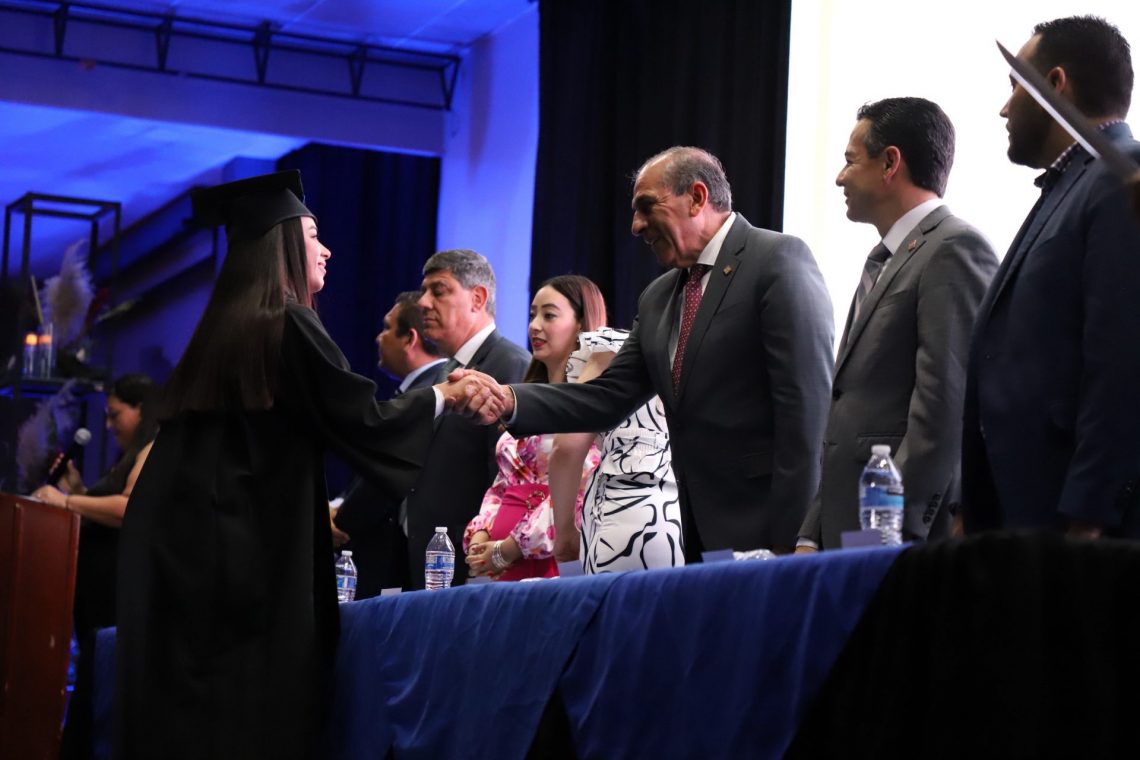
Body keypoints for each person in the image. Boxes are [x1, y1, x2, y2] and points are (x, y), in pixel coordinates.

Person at [114, 170, 493, 759]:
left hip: (196, 557)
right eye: (313, 235)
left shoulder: (225, 327)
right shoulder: (287, 320)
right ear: (283, 244)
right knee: (256, 713)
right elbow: (360, 418)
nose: (327, 249)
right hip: (250, 559)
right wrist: (442, 394)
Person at [465, 147, 834, 556]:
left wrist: (799, 540)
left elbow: (807, 414)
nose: (636, 225)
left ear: (696, 198)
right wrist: (508, 398)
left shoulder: (777, 260)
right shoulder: (658, 297)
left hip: (772, 531)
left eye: (646, 207)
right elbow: (605, 397)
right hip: (697, 537)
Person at [963, 16, 1140, 538]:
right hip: (1024, 527)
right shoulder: (1073, 184)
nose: (1004, 108)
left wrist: (1087, 519)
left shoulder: (1121, 176)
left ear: (1055, 84)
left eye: (1015, 86)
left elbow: (1124, 361)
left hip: (1077, 535)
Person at [796, 98, 998, 552]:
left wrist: (890, 528)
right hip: (848, 532)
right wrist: (812, 532)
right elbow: (847, 415)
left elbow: (944, 407)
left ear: (890, 163)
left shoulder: (953, 248)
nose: (839, 177)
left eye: (850, 161)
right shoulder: (886, 259)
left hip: (892, 540)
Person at [30, 373, 158, 760]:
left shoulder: (154, 446)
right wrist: (78, 491)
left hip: (114, 599)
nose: (108, 424)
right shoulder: (130, 455)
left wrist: (67, 502)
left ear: (141, 409)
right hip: (96, 603)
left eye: (115, 414)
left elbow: (130, 508)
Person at [404, 249, 530, 588]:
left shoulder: (511, 365)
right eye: (424, 291)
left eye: (439, 290)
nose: (423, 303)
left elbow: (507, 476)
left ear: (477, 298)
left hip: (472, 565)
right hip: (429, 562)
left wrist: (485, 551)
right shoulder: (443, 372)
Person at [464, 275, 601, 580]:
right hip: (500, 565)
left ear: (581, 324)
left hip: (553, 563)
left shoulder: (593, 401)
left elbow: (581, 490)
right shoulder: (526, 401)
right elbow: (502, 484)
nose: (535, 326)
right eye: (532, 315)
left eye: (549, 315)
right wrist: (481, 534)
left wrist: (511, 548)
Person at [332, 291, 447, 596]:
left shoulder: (431, 395)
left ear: (410, 339)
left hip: (396, 561)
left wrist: (340, 521)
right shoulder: (417, 392)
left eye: (386, 327)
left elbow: (389, 472)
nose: (378, 337)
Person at [548, 326, 682, 573]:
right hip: (680, 513)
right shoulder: (688, 346)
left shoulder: (610, 348)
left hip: (623, 503)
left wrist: (564, 530)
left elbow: (567, 446)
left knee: (614, 599)